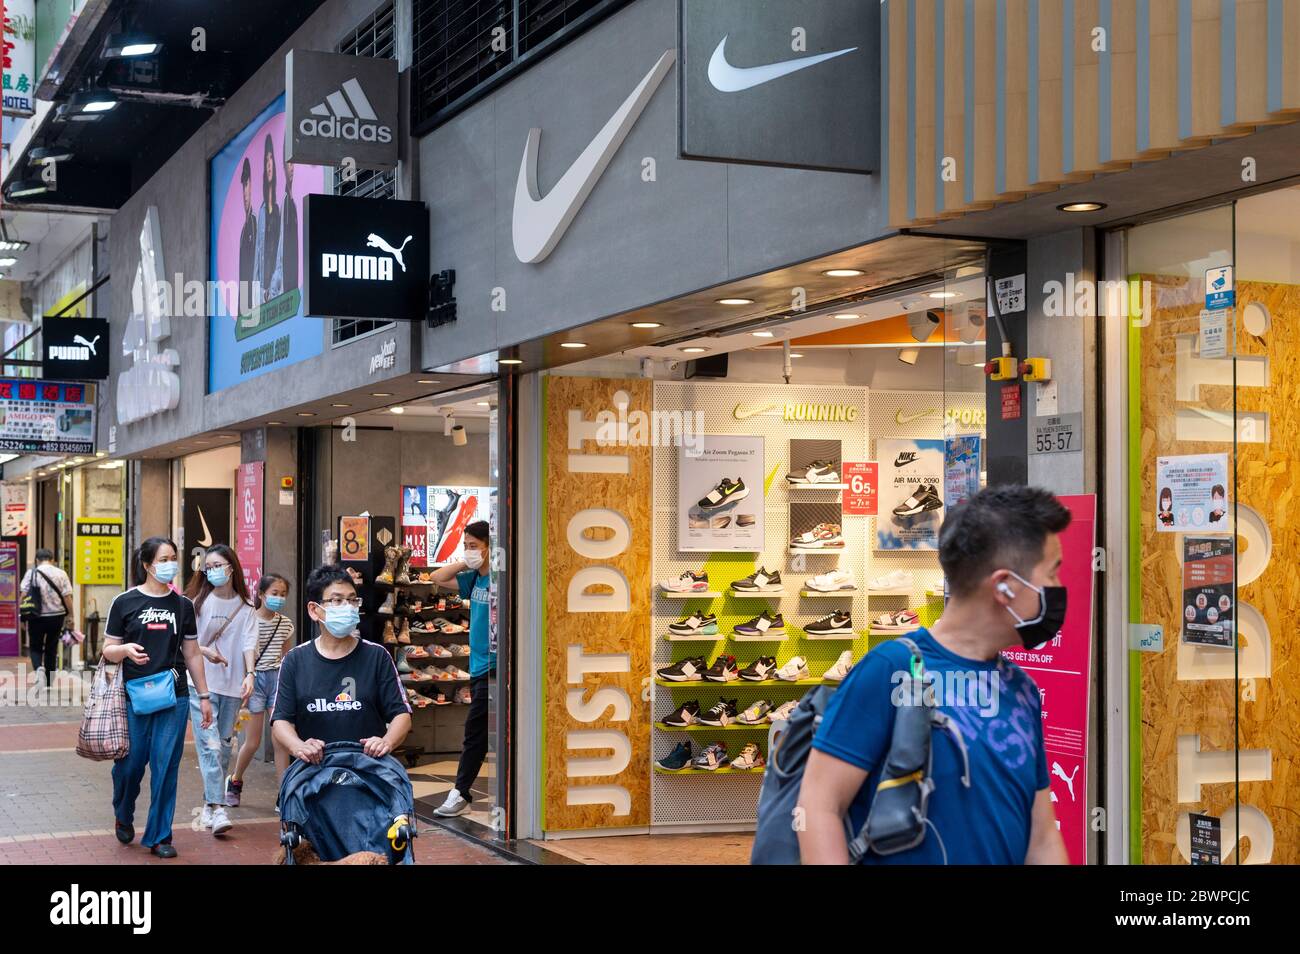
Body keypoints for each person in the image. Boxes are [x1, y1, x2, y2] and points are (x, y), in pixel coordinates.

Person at [797, 485, 1071, 865]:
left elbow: (1042, 837)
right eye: (1052, 573)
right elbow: (818, 805)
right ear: (1004, 586)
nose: (1058, 589)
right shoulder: (889, 671)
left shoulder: (1021, 690)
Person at [103, 537, 211, 859]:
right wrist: (123, 651)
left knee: (166, 767)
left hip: (173, 697)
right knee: (130, 765)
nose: (171, 564)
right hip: (133, 697)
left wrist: (203, 696)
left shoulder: (183, 606)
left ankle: (160, 835)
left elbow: (192, 653)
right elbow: (107, 650)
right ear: (148, 565)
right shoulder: (124, 602)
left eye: (173, 558)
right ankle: (123, 810)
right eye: (164, 559)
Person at [272, 564, 411, 765]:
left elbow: (401, 714)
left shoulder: (377, 656)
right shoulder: (294, 660)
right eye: (337, 600)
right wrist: (298, 746)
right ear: (314, 610)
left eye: (352, 600)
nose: (348, 606)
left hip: (368, 773)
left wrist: (386, 741)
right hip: (314, 777)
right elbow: (281, 720)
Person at [184, 544, 258, 837]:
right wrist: (206, 652)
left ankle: (208, 804)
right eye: (209, 567)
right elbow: (186, 643)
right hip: (200, 685)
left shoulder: (246, 607)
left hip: (232, 686)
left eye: (218, 565)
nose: (213, 571)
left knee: (224, 745)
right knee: (209, 745)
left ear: (232, 568)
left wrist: (250, 674)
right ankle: (218, 808)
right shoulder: (196, 603)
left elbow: (248, 644)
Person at [430, 521, 494, 817]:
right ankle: (462, 792)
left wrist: (484, 557)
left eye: (473, 545)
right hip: (478, 666)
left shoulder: (499, 578)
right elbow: (437, 577)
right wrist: (465, 558)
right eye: (465, 545)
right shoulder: (474, 580)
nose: (468, 551)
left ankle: (461, 792)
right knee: (478, 733)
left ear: (490, 547)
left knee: (475, 733)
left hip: (496, 667)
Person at [227, 573, 295, 807]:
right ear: (262, 594)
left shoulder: (285, 624)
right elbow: (242, 656)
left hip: (278, 681)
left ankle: (284, 794)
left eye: (283, 594)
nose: (279, 598)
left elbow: (286, 657)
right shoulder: (249, 620)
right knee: (253, 742)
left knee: (281, 742)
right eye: (274, 593)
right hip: (255, 682)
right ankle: (235, 781)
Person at [20, 548, 73, 687]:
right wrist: (71, 616)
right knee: (52, 647)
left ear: (37, 560)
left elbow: (23, 595)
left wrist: (21, 616)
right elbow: (67, 597)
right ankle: (49, 681)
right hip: (56, 616)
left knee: (35, 646)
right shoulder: (61, 573)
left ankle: (38, 668)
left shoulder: (31, 573)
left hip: (35, 616)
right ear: (52, 560)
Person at [254, 133, 282, 302]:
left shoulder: (280, 209)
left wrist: (272, 291)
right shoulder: (262, 212)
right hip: (263, 294)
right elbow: (258, 257)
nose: (269, 164)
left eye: (271, 158)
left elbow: (281, 256)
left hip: (276, 291)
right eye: (266, 160)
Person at [280, 147, 299, 293]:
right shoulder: (285, 204)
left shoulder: (299, 198)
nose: (291, 168)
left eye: (294, 163)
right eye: (289, 163)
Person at [238, 156, 256, 294]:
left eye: (247, 184)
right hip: (244, 308)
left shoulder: (255, 224)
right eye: (243, 185)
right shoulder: (244, 230)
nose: (245, 192)